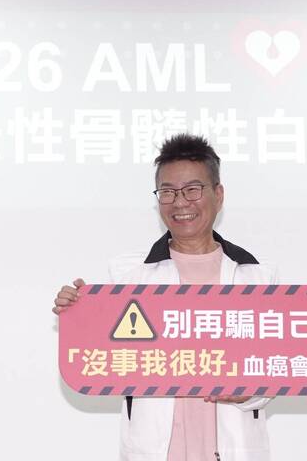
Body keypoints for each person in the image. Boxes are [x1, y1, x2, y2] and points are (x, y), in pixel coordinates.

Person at [53, 133, 276, 461]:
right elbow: (108, 360)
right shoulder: (129, 277)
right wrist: (79, 313)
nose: (180, 202)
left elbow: (276, 371)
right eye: (167, 192)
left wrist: (250, 393)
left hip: (232, 449)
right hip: (155, 451)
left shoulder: (257, 277)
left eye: (192, 189)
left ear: (218, 194)